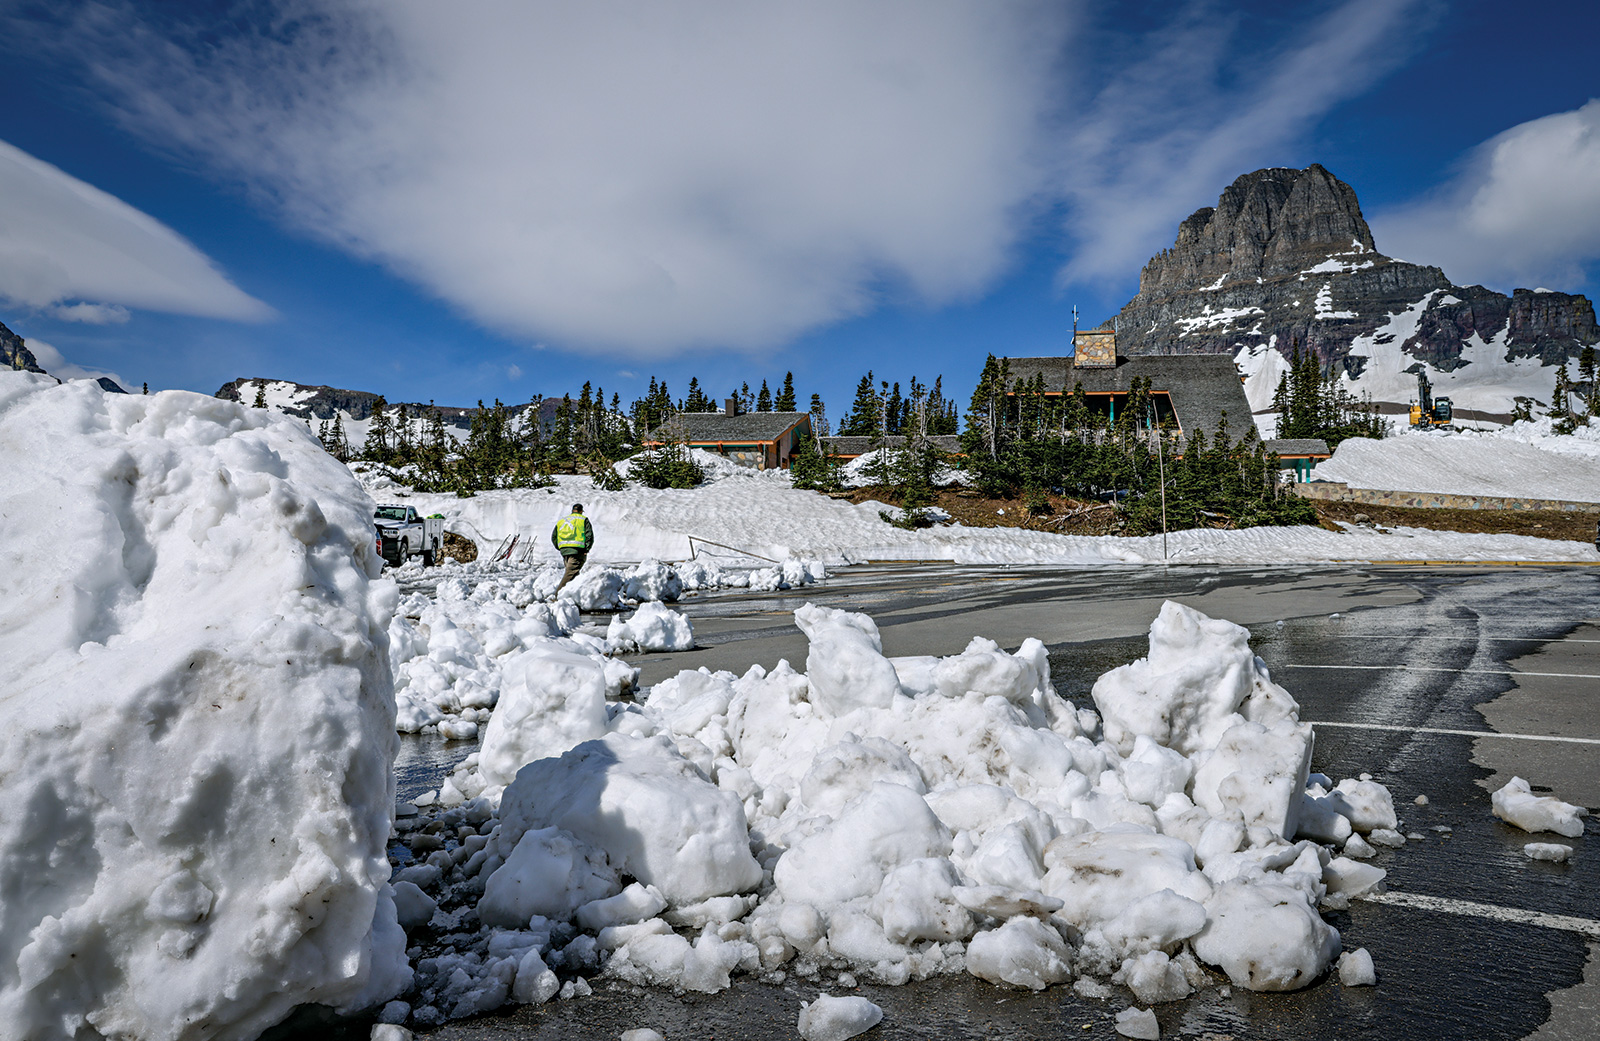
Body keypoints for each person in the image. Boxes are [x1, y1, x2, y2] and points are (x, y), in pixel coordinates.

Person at [551, 503, 595, 594]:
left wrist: (561, 547)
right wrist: (586, 549)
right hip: (577, 551)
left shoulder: (562, 521)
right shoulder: (583, 520)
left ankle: (572, 597)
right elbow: (589, 536)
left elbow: (554, 537)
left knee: (573, 575)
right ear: (581, 511)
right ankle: (558, 595)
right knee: (570, 574)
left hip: (565, 551)